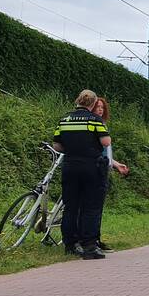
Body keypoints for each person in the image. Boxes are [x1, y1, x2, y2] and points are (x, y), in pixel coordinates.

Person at [52, 89, 112, 260]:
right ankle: (90, 246)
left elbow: (57, 145)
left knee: (71, 207)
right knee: (90, 206)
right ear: (92, 104)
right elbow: (105, 142)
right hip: (91, 166)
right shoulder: (95, 120)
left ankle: (70, 245)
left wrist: (72, 148)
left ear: (77, 100)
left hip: (70, 165)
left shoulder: (64, 119)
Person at [90, 97, 130, 251]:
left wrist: (116, 164)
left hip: (103, 167)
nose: (100, 110)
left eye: (102, 107)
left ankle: (95, 238)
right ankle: (92, 241)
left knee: (97, 208)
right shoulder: (94, 125)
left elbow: (106, 152)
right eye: (97, 107)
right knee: (93, 208)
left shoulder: (102, 125)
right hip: (95, 169)